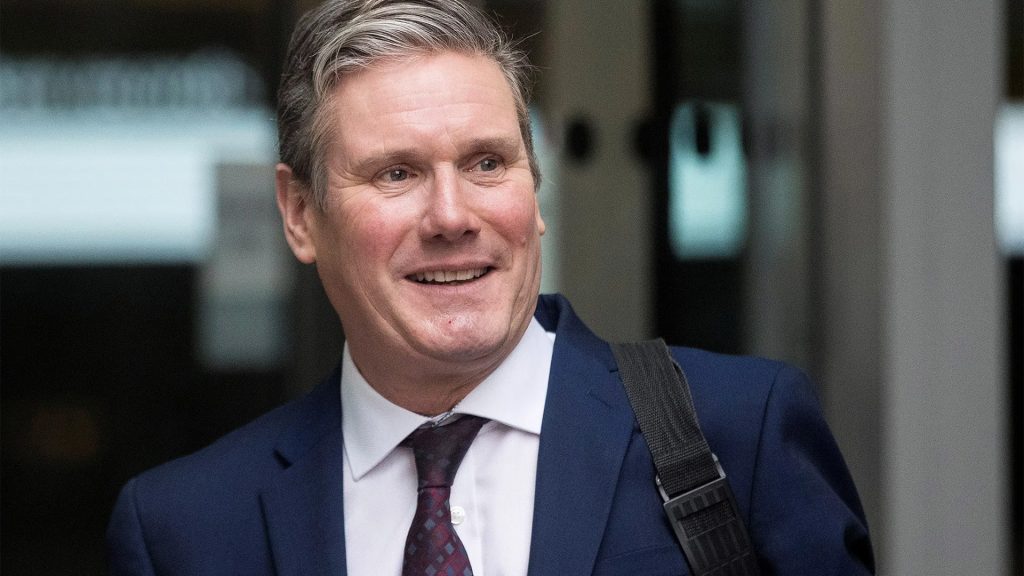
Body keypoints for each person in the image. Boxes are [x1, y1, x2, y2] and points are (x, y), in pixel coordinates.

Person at [107, 1, 875, 574]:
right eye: (397, 172)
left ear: (534, 191)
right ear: (301, 214)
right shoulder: (185, 531)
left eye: (486, 163)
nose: (452, 216)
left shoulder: (741, 434)